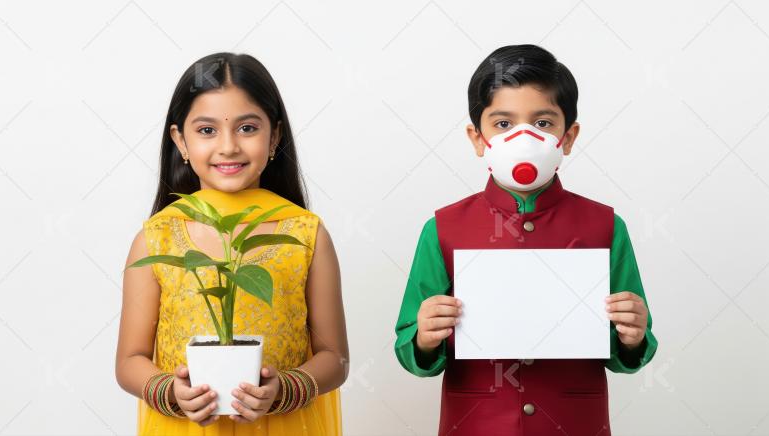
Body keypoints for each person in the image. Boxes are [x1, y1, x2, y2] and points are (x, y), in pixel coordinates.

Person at [394, 44, 658, 435]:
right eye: (503, 123)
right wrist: (425, 337)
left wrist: (633, 336)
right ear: (477, 138)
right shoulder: (443, 228)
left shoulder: (606, 226)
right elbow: (408, 345)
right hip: (478, 426)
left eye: (543, 122)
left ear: (568, 137)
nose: (524, 137)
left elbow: (632, 348)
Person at [116, 52, 348, 435]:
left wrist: (283, 390)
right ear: (180, 140)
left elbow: (335, 358)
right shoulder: (157, 238)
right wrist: (171, 391)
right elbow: (129, 360)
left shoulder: (305, 236)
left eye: (247, 128)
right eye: (207, 130)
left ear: (275, 136)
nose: (228, 146)